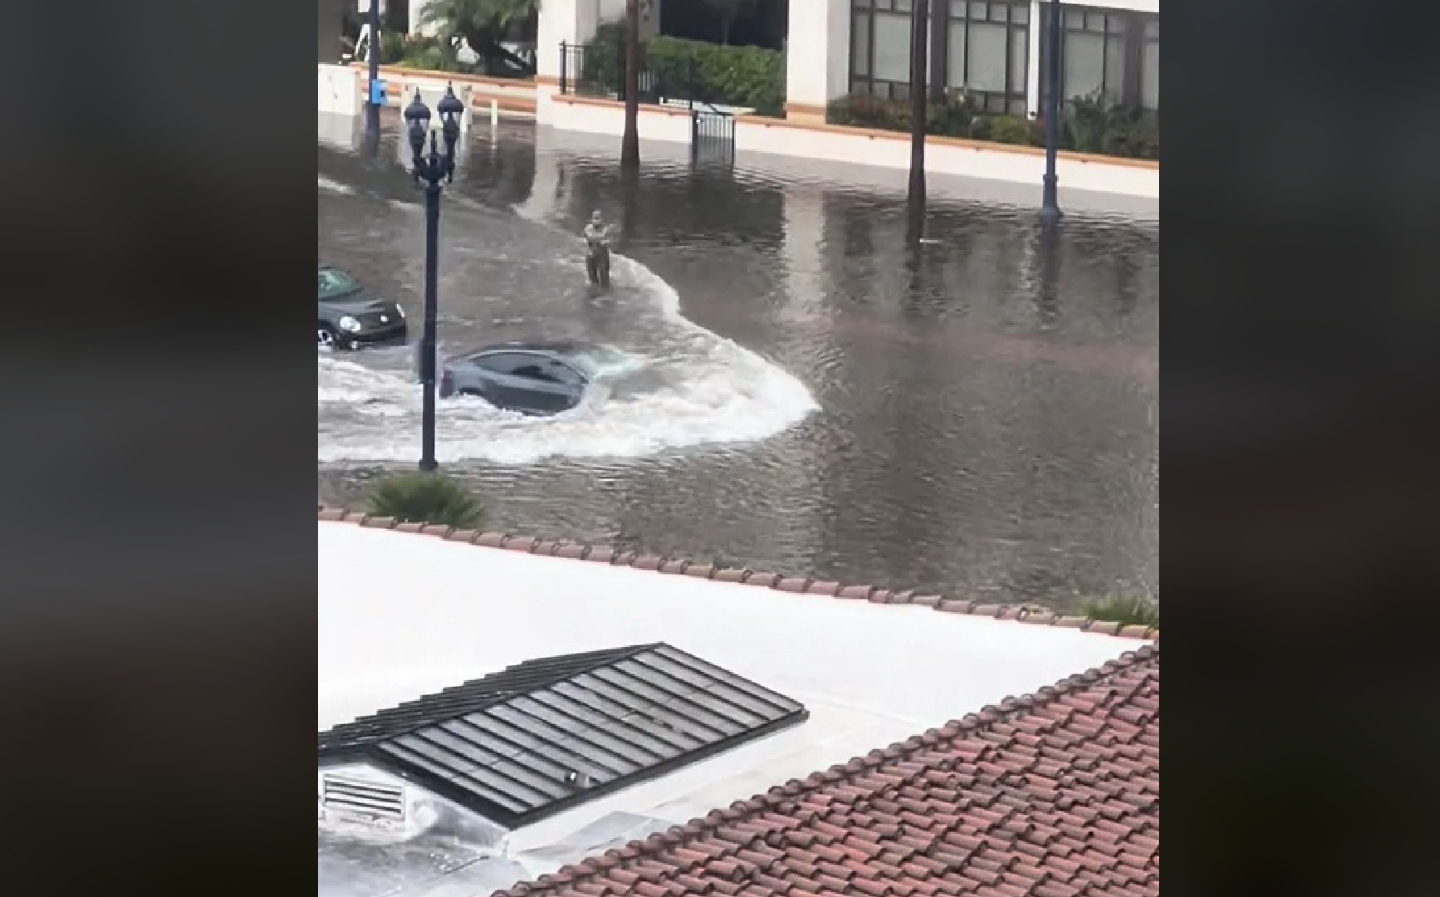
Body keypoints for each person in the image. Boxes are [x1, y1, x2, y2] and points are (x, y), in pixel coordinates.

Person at [583, 210, 612, 289]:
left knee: (604, 278)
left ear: (602, 219)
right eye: (595, 218)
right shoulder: (588, 228)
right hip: (591, 254)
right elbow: (590, 237)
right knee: (592, 280)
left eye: (598, 218)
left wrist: (605, 240)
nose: (596, 220)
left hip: (602, 255)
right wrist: (602, 237)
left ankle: (605, 292)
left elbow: (609, 241)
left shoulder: (606, 229)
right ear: (591, 219)